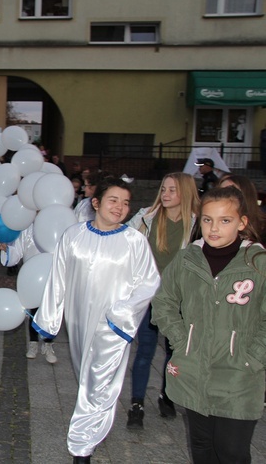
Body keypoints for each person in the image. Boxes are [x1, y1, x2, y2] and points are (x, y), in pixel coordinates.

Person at [33, 178, 161, 463]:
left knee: (97, 384)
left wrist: (122, 314)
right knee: (86, 381)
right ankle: (91, 435)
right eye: (114, 200)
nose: (120, 207)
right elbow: (59, 278)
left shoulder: (134, 241)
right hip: (78, 324)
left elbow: (149, 282)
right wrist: (50, 318)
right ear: (96, 203)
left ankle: (82, 450)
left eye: (126, 202)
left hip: (113, 328)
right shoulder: (73, 235)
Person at [152, 186, 266, 464]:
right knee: (202, 449)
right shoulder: (186, 259)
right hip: (194, 370)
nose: (214, 228)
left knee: (231, 452)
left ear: (242, 223)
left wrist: (254, 355)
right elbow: (164, 303)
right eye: (207, 219)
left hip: (239, 374)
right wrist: (181, 341)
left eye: (225, 220)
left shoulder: (257, 263)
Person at [125, 172, 199, 428]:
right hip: (148, 296)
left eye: (172, 190)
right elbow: (123, 242)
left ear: (186, 193)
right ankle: (137, 404)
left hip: (178, 300)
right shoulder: (147, 217)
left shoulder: (196, 224)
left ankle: (166, 396)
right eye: (163, 189)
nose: (165, 194)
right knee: (144, 350)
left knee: (173, 351)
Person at [0, 225, 57, 363]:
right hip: (32, 275)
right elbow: (18, 251)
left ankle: (48, 344)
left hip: (52, 274)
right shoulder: (28, 228)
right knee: (34, 311)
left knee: (52, 311)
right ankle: (33, 343)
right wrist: (7, 249)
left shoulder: (58, 223)